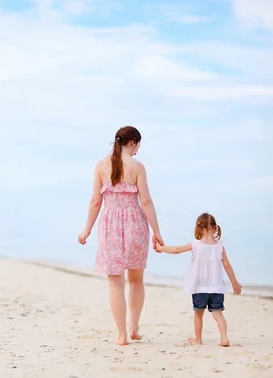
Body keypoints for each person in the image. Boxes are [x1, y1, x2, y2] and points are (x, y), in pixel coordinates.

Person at [78, 126, 164, 346]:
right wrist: (156, 231)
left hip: (110, 225)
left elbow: (95, 201)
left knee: (115, 282)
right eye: (138, 145)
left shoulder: (101, 166)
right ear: (133, 142)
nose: (138, 150)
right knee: (136, 280)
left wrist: (87, 229)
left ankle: (121, 335)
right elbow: (145, 202)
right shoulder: (137, 167)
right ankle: (134, 329)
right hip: (135, 224)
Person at [155, 213, 242, 347]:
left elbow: (176, 250)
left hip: (199, 286)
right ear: (215, 228)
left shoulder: (195, 245)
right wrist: (235, 284)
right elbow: (226, 265)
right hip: (216, 287)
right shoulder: (220, 247)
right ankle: (224, 338)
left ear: (199, 228)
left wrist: (160, 248)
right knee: (217, 313)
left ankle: (198, 339)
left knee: (198, 313)